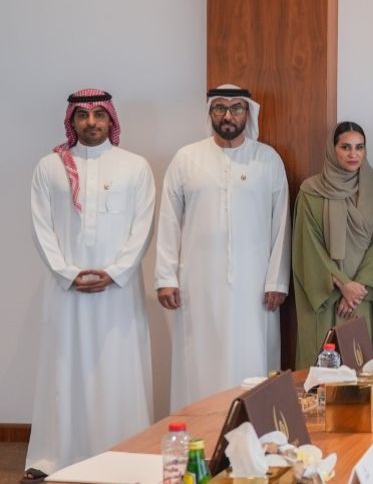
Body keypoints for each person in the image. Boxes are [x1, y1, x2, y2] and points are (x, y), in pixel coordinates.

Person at [26, 89, 154, 473]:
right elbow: (41, 227)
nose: (92, 122)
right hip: (66, 290)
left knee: (118, 368)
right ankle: (55, 457)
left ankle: (126, 454)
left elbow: (142, 226)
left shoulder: (135, 167)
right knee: (64, 368)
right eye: (83, 115)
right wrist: (67, 273)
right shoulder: (49, 168)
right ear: (72, 120)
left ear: (112, 119)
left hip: (119, 292)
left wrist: (115, 272)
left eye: (100, 114)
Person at [156, 84, 290, 411]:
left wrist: (276, 281)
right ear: (210, 113)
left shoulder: (268, 160)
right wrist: (165, 277)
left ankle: (252, 428)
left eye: (236, 108)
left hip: (254, 284)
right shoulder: (186, 159)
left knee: (251, 357)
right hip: (198, 282)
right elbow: (169, 220)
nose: (228, 115)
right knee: (198, 359)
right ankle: (197, 426)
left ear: (248, 113)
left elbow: (282, 223)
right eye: (220, 108)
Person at [293, 122, 373, 368]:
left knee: (364, 365)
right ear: (332, 150)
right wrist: (343, 285)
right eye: (345, 147)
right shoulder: (311, 192)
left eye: (359, 147)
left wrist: (357, 289)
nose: (353, 154)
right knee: (324, 367)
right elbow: (308, 247)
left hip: (364, 295)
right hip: (326, 294)